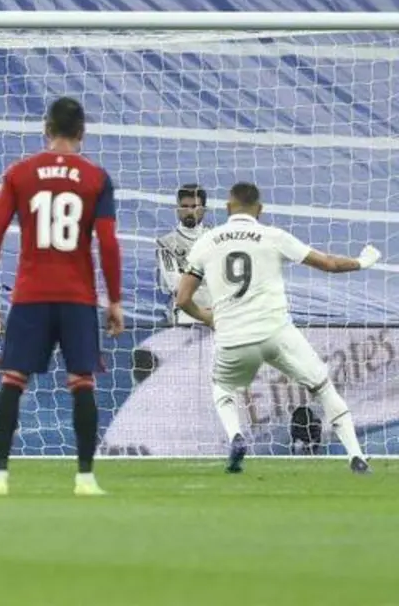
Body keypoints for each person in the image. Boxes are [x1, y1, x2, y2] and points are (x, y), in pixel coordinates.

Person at [175, 182, 376, 474]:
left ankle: (236, 436)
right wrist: (362, 262)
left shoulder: (207, 241)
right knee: (323, 387)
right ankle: (356, 457)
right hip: (276, 331)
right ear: (259, 209)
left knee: (222, 389)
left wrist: (208, 318)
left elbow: (182, 298)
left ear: (228, 208)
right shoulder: (274, 236)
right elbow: (329, 264)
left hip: (234, 334)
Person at [0, 97, 123, 496]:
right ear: (82, 132)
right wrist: (114, 300)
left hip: (31, 295)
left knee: (13, 380)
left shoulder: (19, 173)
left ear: (46, 129)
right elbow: (108, 243)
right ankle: (85, 479)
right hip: (77, 297)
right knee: (82, 383)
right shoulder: (96, 177)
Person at [156, 184, 212, 325]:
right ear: (177, 209)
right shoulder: (166, 244)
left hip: (216, 314)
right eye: (184, 206)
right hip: (185, 315)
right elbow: (175, 284)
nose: (189, 211)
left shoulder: (216, 239)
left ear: (204, 209)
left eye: (194, 207)